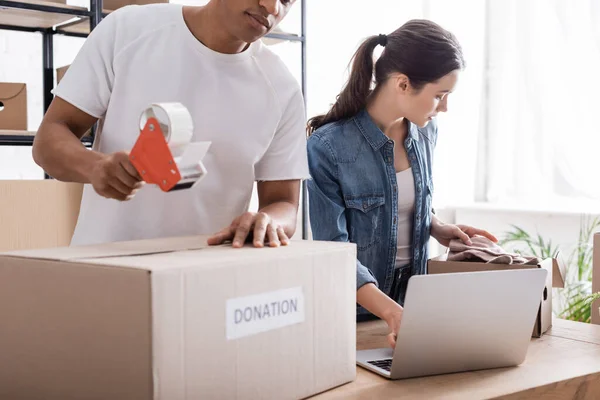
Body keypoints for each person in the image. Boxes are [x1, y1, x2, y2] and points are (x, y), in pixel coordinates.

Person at [32, 0, 308, 249]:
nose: (272, 8)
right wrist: (95, 167)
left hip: (203, 278)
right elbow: (48, 142)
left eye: (286, 0)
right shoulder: (128, 30)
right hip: (104, 267)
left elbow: (284, 203)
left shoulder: (282, 90)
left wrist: (268, 220)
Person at [306, 20, 497, 348]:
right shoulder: (328, 147)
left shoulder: (425, 132)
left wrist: (435, 225)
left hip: (413, 310)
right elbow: (333, 253)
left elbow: (399, 200)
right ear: (403, 84)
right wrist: (391, 312)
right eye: (440, 96)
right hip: (355, 317)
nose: (445, 108)